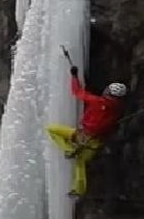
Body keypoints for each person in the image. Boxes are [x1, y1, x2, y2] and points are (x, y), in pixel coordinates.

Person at [46, 64, 126, 197]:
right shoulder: (116, 112)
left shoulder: (97, 101)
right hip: (94, 143)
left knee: (52, 129)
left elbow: (77, 92)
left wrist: (74, 76)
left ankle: (67, 149)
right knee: (80, 163)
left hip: (81, 135)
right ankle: (78, 191)